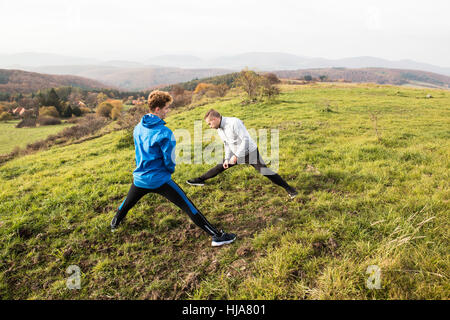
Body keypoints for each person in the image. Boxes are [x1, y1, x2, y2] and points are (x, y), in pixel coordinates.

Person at [111, 91, 236, 247]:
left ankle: (114, 224)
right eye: (166, 108)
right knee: (188, 206)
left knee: (127, 203)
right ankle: (216, 236)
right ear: (157, 109)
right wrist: (169, 171)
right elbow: (169, 161)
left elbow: (138, 152)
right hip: (159, 180)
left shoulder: (138, 127)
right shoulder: (164, 132)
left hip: (140, 178)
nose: (168, 111)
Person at [187, 109, 298, 199]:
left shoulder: (234, 122)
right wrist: (227, 158)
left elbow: (246, 140)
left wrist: (236, 156)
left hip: (250, 152)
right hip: (235, 154)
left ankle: (290, 189)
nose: (210, 126)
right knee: (220, 166)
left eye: (209, 123)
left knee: (265, 171)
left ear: (215, 119)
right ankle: (200, 180)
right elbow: (227, 144)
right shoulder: (219, 129)